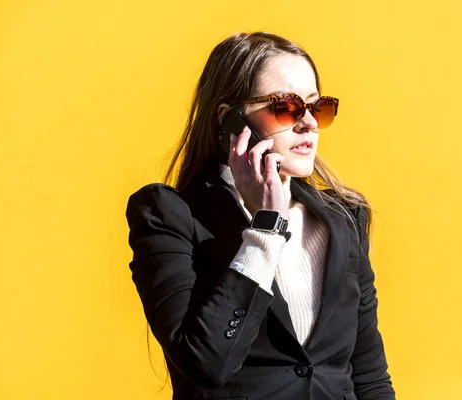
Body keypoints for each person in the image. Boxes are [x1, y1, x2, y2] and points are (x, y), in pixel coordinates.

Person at [125, 32, 395, 400]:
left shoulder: (344, 219)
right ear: (231, 121)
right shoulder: (168, 216)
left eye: (318, 107)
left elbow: (369, 378)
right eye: (287, 107)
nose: (309, 124)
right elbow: (205, 364)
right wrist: (266, 229)